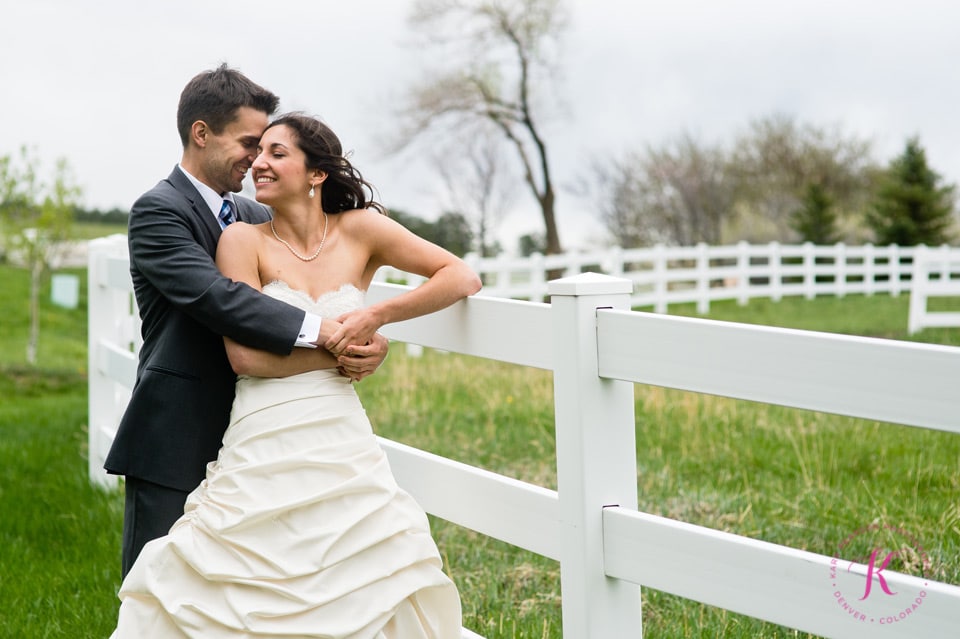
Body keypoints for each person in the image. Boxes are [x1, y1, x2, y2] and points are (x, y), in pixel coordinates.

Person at [110, 112, 481, 638]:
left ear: (317, 174)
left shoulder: (362, 229)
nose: (258, 163)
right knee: (243, 569)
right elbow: (246, 358)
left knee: (364, 561)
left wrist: (378, 317)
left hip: (339, 433)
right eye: (257, 151)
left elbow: (461, 276)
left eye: (276, 153)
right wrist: (346, 350)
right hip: (265, 428)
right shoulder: (241, 239)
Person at [103, 65, 389, 578]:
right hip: (180, 428)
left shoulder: (257, 216)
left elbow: (315, 271)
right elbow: (221, 299)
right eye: (249, 143)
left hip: (258, 435)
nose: (257, 159)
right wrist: (333, 335)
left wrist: (370, 339)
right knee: (160, 583)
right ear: (201, 133)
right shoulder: (158, 211)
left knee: (246, 588)